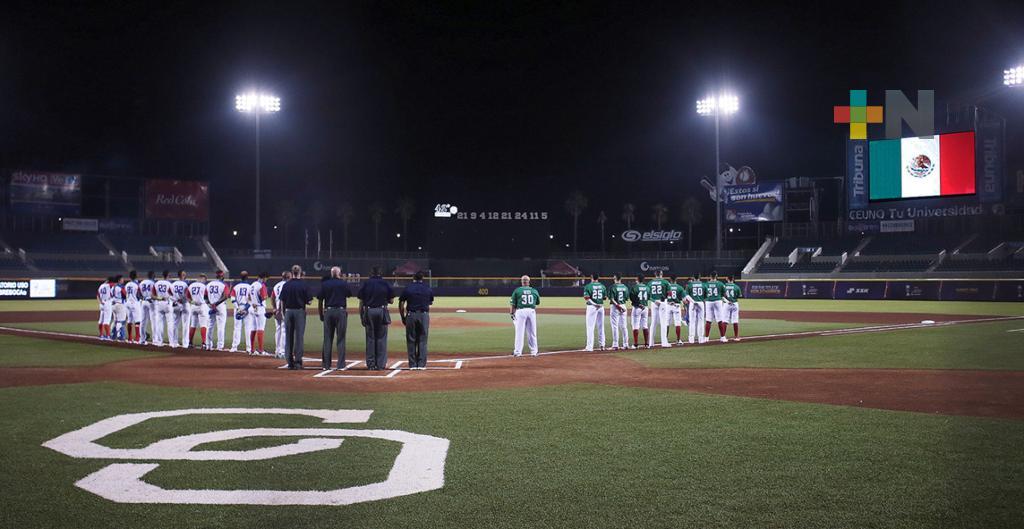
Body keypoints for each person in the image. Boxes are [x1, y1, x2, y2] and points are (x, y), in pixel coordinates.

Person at [358, 266, 395, 370]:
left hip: (369, 311)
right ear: (380, 273)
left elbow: (361, 302)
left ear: (371, 273)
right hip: (381, 311)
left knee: (370, 339)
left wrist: (361, 316)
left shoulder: (366, 283)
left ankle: (371, 365)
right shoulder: (385, 283)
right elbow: (391, 300)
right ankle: (381, 365)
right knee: (381, 338)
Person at [279, 265, 313, 370]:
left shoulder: (286, 285)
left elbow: (282, 301)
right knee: (299, 338)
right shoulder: (304, 285)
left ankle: (289, 362)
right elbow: (310, 301)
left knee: (288, 337)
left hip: (288, 312)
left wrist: (283, 313)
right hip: (299, 312)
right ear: (300, 272)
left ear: (292, 272)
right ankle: (298, 362)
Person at [318, 266, 352, 370]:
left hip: (328, 311)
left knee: (327, 339)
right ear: (339, 273)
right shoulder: (343, 283)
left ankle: (326, 365)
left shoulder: (325, 284)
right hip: (340, 312)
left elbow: (320, 300)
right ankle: (341, 365)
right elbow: (349, 294)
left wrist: (321, 314)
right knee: (341, 339)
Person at [399, 271, 434, 369]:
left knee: (411, 340)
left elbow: (401, 303)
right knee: (422, 340)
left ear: (413, 277)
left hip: (411, 315)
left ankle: (413, 365)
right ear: (423, 277)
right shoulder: (427, 288)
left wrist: (403, 317)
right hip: (423, 315)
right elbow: (430, 301)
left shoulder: (408, 287)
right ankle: (421, 365)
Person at [510, 275, 540, 357]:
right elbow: (537, 303)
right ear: (529, 282)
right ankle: (534, 351)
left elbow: (513, 304)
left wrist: (512, 313)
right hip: (531, 311)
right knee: (532, 332)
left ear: (522, 282)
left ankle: (517, 352)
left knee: (519, 332)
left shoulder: (517, 290)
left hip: (521, 311)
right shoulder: (534, 291)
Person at [229, 271, 253, 353]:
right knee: (248, 328)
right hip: (247, 308)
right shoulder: (250, 287)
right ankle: (249, 348)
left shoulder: (236, 287)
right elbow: (251, 300)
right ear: (247, 277)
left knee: (237, 328)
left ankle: (234, 347)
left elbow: (232, 298)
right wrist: (245, 308)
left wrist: (238, 308)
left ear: (240, 277)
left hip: (238, 307)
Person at [205, 270, 229, 350]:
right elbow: (225, 296)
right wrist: (217, 304)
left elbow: (205, 296)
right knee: (221, 326)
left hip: (211, 306)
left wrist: (209, 304)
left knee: (210, 326)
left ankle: (208, 345)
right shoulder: (223, 285)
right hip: (220, 306)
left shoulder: (209, 284)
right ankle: (220, 346)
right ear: (222, 276)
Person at [582, 273, 606, 351]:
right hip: (601, 307)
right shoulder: (602, 286)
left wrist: (595, 304)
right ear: (598, 278)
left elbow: (587, 298)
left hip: (592, 307)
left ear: (591, 278)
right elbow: (605, 298)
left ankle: (589, 347)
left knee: (590, 327)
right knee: (601, 326)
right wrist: (599, 303)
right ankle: (602, 345)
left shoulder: (588, 286)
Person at [185, 273, 210, 348]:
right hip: (202, 306)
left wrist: (192, 302)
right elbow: (207, 297)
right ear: (202, 278)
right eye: (205, 279)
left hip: (193, 306)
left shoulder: (191, 286)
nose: (205, 281)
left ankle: (190, 343)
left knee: (193, 325)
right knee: (203, 325)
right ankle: (204, 343)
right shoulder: (204, 286)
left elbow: (188, 297)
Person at [271, 270, 291, 358]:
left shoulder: (276, 285)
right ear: (288, 277)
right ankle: (282, 352)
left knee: (278, 330)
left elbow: (272, 297)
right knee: (284, 330)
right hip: (283, 310)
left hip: (277, 311)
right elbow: (284, 299)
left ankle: (277, 351)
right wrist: (280, 309)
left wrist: (274, 308)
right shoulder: (287, 285)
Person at [249, 272, 270, 355]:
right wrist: (265, 297)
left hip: (252, 308)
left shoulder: (253, 284)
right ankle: (261, 350)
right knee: (260, 329)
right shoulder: (262, 285)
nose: (266, 280)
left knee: (253, 328)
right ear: (264, 278)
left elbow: (249, 297)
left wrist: (252, 303)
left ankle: (252, 350)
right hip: (260, 308)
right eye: (266, 278)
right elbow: (264, 297)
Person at [648, 270, 671, 348]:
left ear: (655, 274)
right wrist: (665, 297)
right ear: (662, 274)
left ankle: (651, 343)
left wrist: (654, 301)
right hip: (662, 302)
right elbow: (670, 293)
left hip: (654, 303)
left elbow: (647, 295)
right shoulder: (665, 282)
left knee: (653, 323)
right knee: (663, 323)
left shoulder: (650, 283)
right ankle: (664, 343)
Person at [608, 273, 630, 350]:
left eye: (614, 278)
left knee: (615, 326)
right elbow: (626, 298)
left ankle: (615, 345)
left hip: (615, 307)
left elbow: (612, 299)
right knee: (624, 326)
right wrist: (621, 306)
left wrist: (617, 306)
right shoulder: (625, 287)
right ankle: (626, 344)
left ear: (615, 278)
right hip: (623, 306)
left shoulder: (612, 287)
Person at [153, 271, 174, 347]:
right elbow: (172, 295)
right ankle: (171, 343)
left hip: (159, 303)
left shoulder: (157, 283)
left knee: (159, 323)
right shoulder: (169, 284)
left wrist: (160, 297)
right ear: (168, 276)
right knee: (170, 323)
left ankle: (159, 342)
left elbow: (153, 296)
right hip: (167, 303)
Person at [704, 272, 727, 343]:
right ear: (716, 276)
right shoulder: (720, 284)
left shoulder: (706, 284)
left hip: (709, 301)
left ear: (710, 276)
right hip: (718, 301)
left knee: (708, 320)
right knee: (720, 320)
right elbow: (725, 294)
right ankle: (722, 337)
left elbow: (704, 294)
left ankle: (706, 338)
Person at [629, 274, 651, 348]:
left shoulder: (635, 287)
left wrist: (638, 304)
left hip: (637, 308)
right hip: (645, 307)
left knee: (635, 326)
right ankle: (647, 344)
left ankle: (635, 344)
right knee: (645, 325)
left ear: (638, 279)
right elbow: (648, 297)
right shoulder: (647, 288)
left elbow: (632, 298)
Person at [685, 274, 707, 344]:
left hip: (692, 303)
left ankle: (691, 339)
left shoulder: (690, 285)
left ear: (693, 278)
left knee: (692, 321)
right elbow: (706, 296)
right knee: (701, 321)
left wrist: (693, 302)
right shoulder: (704, 285)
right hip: (701, 303)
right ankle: (701, 339)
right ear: (699, 278)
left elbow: (687, 295)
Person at [170, 270, 189, 348]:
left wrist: (175, 300)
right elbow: (187, 295)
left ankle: (174, 342)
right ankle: (185, 344)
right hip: (184, 304)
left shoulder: (173, 284)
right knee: (185, 324)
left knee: (175, 323)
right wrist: (183, 300)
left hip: (176, 305)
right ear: (181, 276)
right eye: (184, 274)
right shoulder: (185, 284)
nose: (185, 275)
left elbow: (169, 294)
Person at [665, 275, 685, 345]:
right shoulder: (680, 287)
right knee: (677, 323)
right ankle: (678, 340)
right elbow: (684, 300)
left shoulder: (667, 287)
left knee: (667, 323)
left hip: (668, 305)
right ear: (676, 279)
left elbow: (664, 297)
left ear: (670, 279)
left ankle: (665, 339)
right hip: (676, 305)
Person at [124, 271, 142, 344]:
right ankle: (137, 339)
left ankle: (129, 338)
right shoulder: (137, 284)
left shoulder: (127, 284)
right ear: (136, 276)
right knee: (137, 321)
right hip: (135, 303)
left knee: (129, 321)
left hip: (127, 302)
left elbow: (126, 293)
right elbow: (139, 294)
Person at [138, 271, 156, 345]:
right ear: (152, 276)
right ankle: (155, 340)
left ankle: (142, 339)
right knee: (154, 321)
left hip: (143, 302)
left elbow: (138, 294)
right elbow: (155, 293)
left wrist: (143, 298)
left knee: (143, 321)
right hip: (151, 302)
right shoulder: (153, 283)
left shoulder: (142, 282)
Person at [723, 276, 742, 341]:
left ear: (727, 279)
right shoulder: (736, 286)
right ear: (733, 279)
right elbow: (740, 295)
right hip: (734, 303)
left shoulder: (724, 286)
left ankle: (723, 337)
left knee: (725, 320)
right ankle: (736, 337)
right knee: (735, 320)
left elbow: (722, 295)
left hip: (727, 304)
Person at [110, 275, 128, 341]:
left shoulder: (112, 287)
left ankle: (112, 336)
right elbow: (125, 295)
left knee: (115, 321)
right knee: (121, 321)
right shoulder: (121, 287)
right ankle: (120, 337)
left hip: (113, 305)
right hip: (120, 305)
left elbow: (111, 295)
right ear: (119, 280)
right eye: (122, 279)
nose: (123, 280)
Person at [96, 276, 114, 340]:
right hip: (107, 303)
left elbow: (97, 295)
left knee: (101, 320)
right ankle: (108, 336)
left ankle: (101, 335)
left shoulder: (101, 285)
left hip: (102, 303)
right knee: (107, 320)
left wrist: (100, 302)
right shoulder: (110, 285)